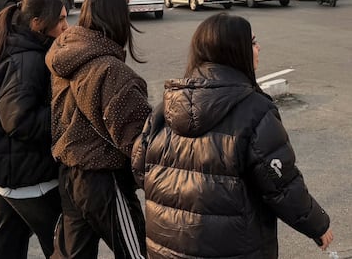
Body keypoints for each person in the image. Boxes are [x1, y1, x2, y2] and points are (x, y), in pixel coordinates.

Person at [132, 13, 333, 259]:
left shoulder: (166, 106)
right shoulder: (256, 111)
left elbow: (140, 169)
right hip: (234, 248)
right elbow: (282, 187)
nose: (259, 48)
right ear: (234, 51)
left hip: (167, 246)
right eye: (253, 42)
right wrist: (318, 225)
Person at [46, 0, 151, 258]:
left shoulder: (66, 52)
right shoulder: (112, 71)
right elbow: (138, 142)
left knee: (73, 254)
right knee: (136, 253)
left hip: (69, 173)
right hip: (104, 178)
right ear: (119, 20)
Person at [0, 0, 69, 259]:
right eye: (60, 20)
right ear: (37, 23)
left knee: (4, 249)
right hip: (26, 177)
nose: (65, 27)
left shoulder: (9, 45)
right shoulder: (29, 58)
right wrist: (65, 113)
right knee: (66, 249)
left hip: (0, 171)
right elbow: (19, 120)